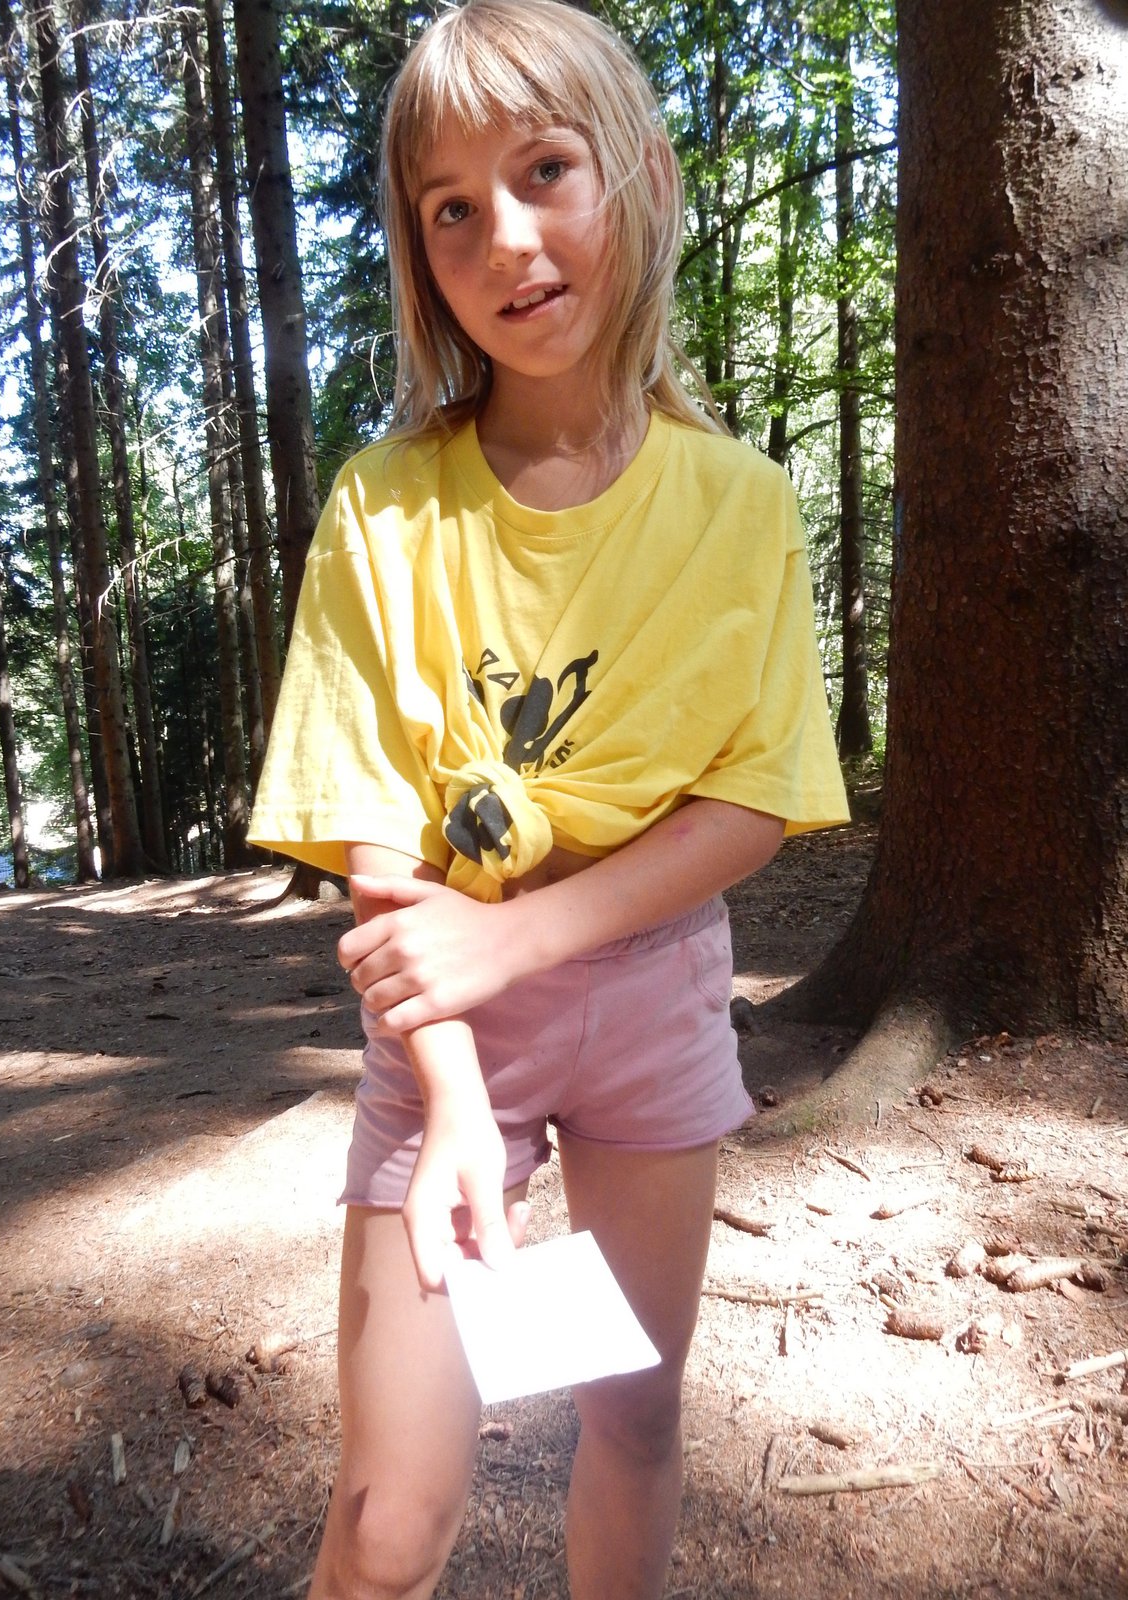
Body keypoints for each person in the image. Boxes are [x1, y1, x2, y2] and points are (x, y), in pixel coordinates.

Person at [248, 2, 849, 1594]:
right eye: (451, 210)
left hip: (652, 1004)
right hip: (443, 1032)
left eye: (543, 173)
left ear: (637, 174)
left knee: (631, 1421)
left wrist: (520, 938)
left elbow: (754, 799)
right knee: (391, 1514)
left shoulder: (740, 505)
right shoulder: (386, 506)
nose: (506, 240)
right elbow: (374, 822)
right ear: (420, 257)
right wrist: (451, 1093)